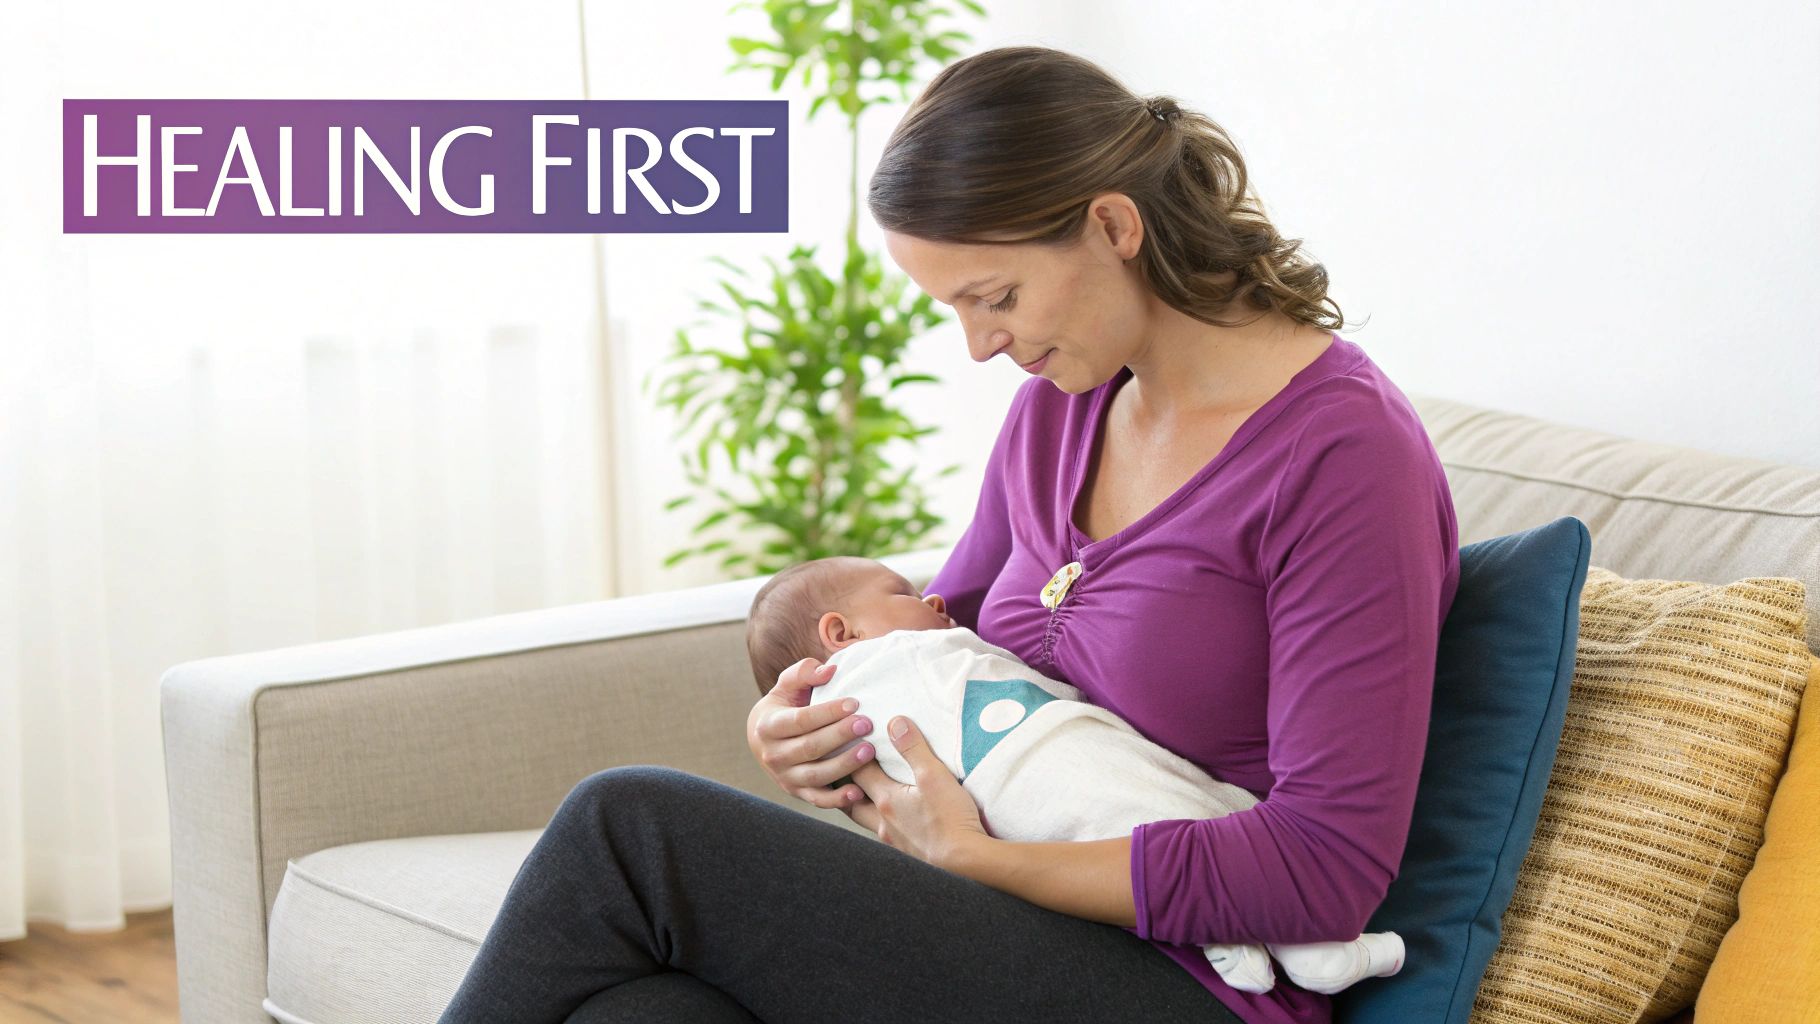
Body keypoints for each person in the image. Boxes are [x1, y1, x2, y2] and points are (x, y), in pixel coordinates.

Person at [437, 43, 1459, 1024]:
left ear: (1112, 225)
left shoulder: (1341, 457)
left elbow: (1321, 869)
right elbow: (932, 639)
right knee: (644, 1013)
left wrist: (984, 859)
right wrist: (803, 736)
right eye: (955, 310)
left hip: (1196, 983)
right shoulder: (1063, 408)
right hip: (1003, 924)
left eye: (996, 297)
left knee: (631, 827)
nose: (979, 347)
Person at [742, 554, 1410, 996]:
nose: (940, 597)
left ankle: (1282, 939)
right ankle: (1251, 937)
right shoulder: (887, 665)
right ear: (841, 634)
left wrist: (965, 854)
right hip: (1037, 785)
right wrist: (780, 729)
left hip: (1074, 816)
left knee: (1193, 806)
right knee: (1126, 813)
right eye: (907, 594)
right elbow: (864, 752)